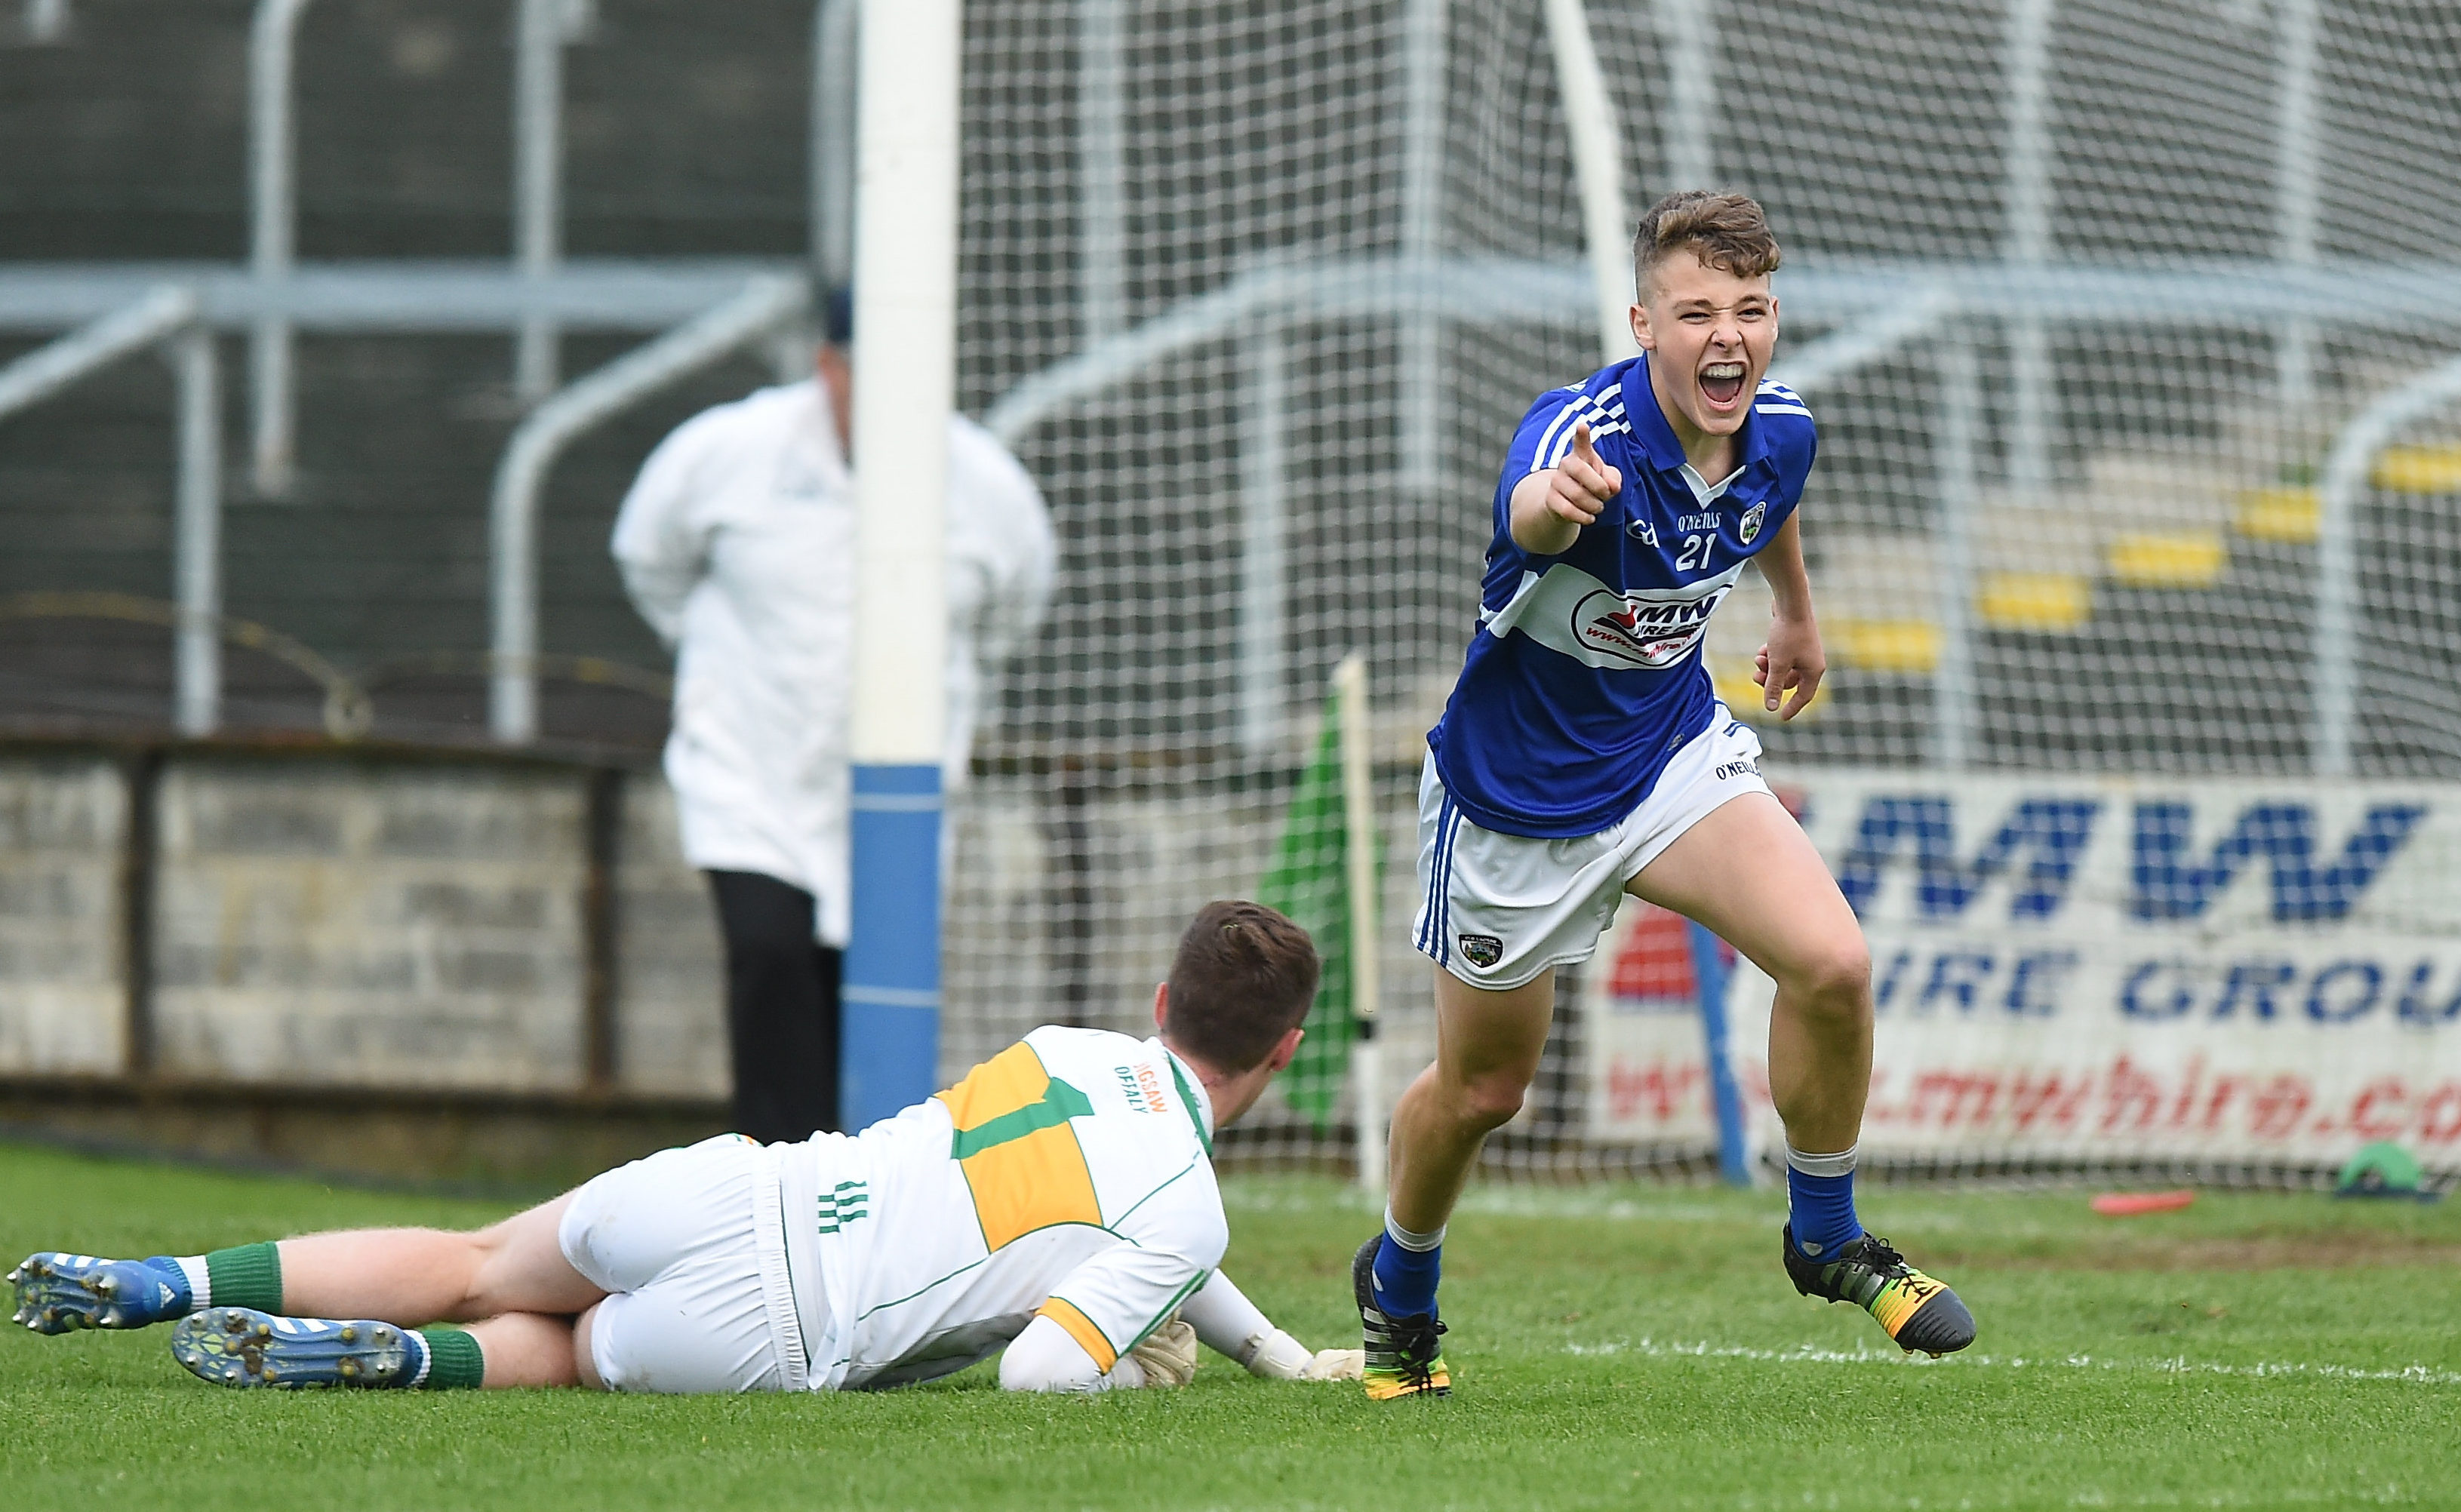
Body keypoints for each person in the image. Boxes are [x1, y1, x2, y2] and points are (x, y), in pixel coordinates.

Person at [1354, 192, 1976, 1400]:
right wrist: (1556, 505)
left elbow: (1770, 500)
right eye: (1696, 311)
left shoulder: (1779, 429)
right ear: (1645, 324)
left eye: (1749, 309)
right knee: (1486, 1092)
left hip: (1667, 755)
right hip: (1514, 802)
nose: (1726, 335)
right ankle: (1401, 1283)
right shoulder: (1577, 434)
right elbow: (1527, 504)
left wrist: (1795, 615)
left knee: (1833, 965)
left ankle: (1824, 1234)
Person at [11, 902, 1358, 1396]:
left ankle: (171, 1280)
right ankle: (402, 1366)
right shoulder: (1181, 1213)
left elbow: (1142, 1223)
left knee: (486, 1255)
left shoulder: (1073, 1048)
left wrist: (1276, 1351)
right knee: (575, 1353)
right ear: (1285, 1052)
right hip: (774, 1332)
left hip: (743, 1182)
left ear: (1164, 1002)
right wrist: (1134, 1374)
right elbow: (1037, 1370)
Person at [610, 287, 1057, 1145]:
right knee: (771, 955)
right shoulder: (726, 451)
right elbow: (648, 559)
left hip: (905, 791)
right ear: (828, 367)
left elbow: (1014, 610)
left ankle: (863, 1194)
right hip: (752, 771)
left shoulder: (989, 488)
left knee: (872, 985)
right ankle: (772, 1188)